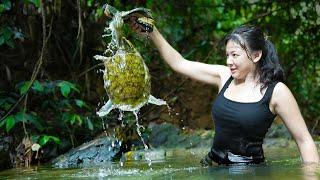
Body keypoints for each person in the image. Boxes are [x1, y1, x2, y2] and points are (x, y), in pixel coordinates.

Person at [128, 16, 319, 166]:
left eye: (235, 55)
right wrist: (152, 32)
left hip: (249, 172)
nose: (228, 61)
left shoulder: (276, 92)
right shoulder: (224, 76)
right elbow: (179, 63)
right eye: (227, 55)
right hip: (212, 165)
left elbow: (305, 141)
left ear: (256, 55)